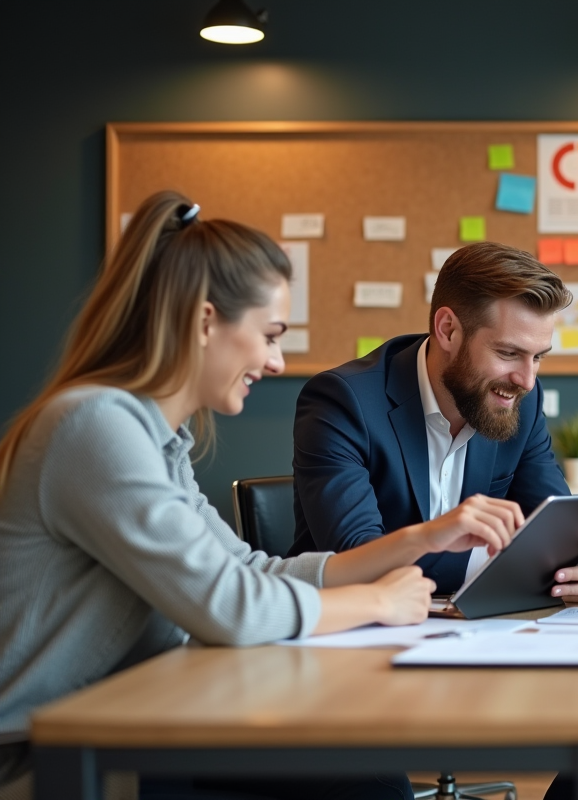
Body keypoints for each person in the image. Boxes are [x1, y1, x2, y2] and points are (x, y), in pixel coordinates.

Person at [0, 191, 516, 800]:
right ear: (204, 321)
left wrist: (421, 539)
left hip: (137, 718)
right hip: (51, 753)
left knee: (363, 772)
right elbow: (232, 605)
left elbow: (250, 569)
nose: (276, 361)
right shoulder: (96, 426)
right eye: (270, 335)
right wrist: (375, 602)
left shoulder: (155, 436)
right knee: (365, 782)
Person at [288, 241, 578, 602]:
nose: (526, 380)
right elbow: (358, 557)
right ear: (447, 330)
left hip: (475, 632)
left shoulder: (521, 399)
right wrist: (494, 559)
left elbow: (555, 534)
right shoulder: (342, 400)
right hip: (349, 632)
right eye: (508, 353)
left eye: (538, 357)